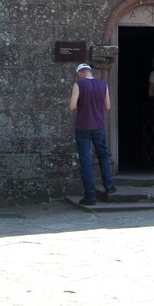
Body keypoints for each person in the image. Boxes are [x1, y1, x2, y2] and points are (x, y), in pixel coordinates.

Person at [68, 63, 116, 206]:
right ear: (89, 72)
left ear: (79, 73)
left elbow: (72, 106)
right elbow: (107, 107)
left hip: (83, 126)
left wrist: (81, 105)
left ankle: (90, 195)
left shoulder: (79, 84)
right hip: (99, 126)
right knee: (103, 155)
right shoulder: (103, 84)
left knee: (86, 161)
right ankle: (109, 186)